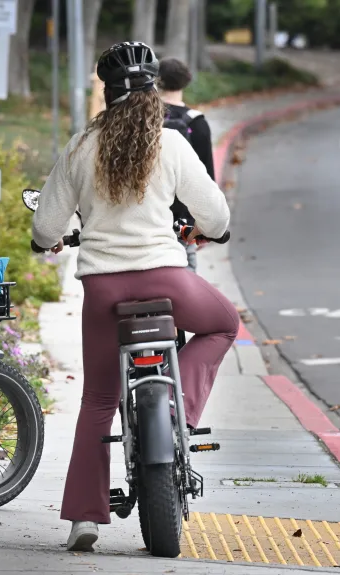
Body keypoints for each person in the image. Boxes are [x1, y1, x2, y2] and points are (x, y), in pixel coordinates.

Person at [30, 42, 239, 552]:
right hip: (168, 281)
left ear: (106, 92)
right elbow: (215, 217)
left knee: (100, 399)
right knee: (224, 324)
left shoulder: (80, 146)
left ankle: (84, 518)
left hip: (103, 289)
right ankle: (178, 415)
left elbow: (45, 228)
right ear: (154, 93)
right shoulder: (171, 145)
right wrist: (208, 231)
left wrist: (49, 240)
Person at [158, 57, 216, 273]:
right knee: (187, 284)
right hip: (182, 221)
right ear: (186, 82)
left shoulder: (143, 118)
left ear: (156, 81)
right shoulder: (196, 122)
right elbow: (207, 179)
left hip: (148, 216)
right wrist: (207, 225)